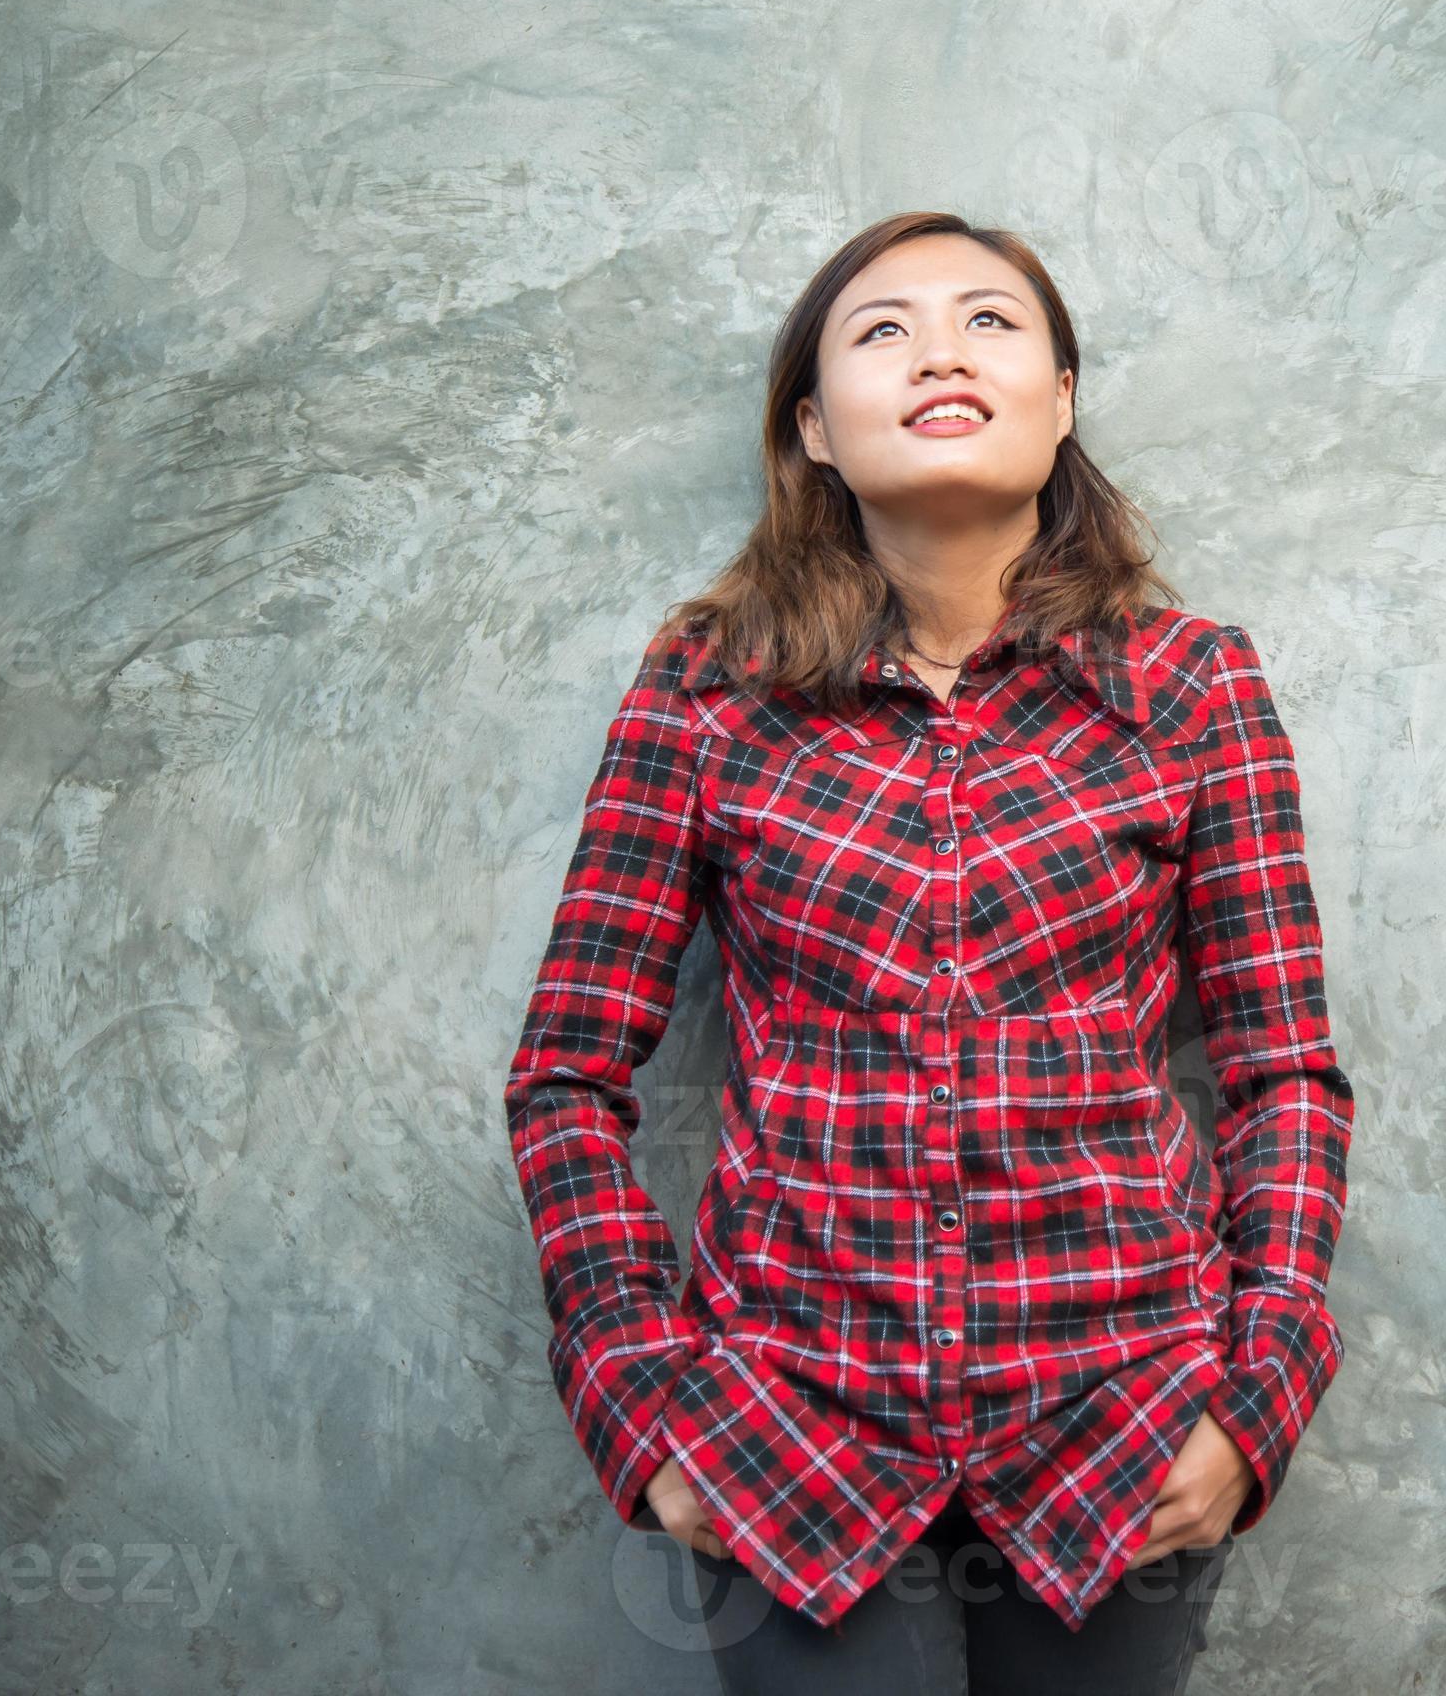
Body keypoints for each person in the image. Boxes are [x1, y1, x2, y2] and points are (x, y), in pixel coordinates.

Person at [502, 211, 1357, 1694]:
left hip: (1126, 1423)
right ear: (816, 428)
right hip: (786, 1432)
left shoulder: (1193, 687)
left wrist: (1256, 1396)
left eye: (990, 322)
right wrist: (640, 1410)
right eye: (881, 331)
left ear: (1063, 399)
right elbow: (567, 1071)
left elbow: (1283, 1073)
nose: (941, 350)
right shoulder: (706, 692)